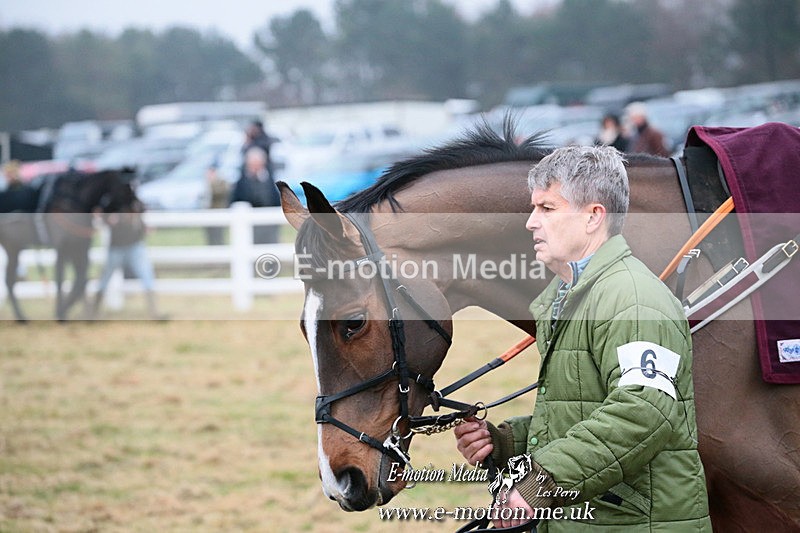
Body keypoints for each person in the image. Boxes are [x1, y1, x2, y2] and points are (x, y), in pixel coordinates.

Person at [454, 145, 711, 531]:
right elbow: (584, 411)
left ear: (593, 216)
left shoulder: (633, 298)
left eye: (547, 208)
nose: (530, 222)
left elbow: (644, 412)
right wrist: (507, 442)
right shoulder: (573, 298)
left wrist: (539, 484)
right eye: (533, 208)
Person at [92, 198, 166, 320]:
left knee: (147, 276)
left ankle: (154, 313)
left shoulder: (134, 201)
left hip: (134, 245)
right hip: (117, 247)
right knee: (105, 279)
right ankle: (93, 313)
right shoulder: (112, 202)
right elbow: (104, 217)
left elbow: (140, 214)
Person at [230, 146, 280, 244]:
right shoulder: (241, 182)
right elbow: (235, 200)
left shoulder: (269, 180)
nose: (255, 167)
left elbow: (275, 199)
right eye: (252, 164)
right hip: (249, 226)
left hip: (268, 225)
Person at [205, 162, 229, 245]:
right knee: (210, 236)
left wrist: (212, 183)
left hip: (219, 213)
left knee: (219, 235)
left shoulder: (222, 182)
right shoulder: (206, 183)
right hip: (209, 214)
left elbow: (219, 193)